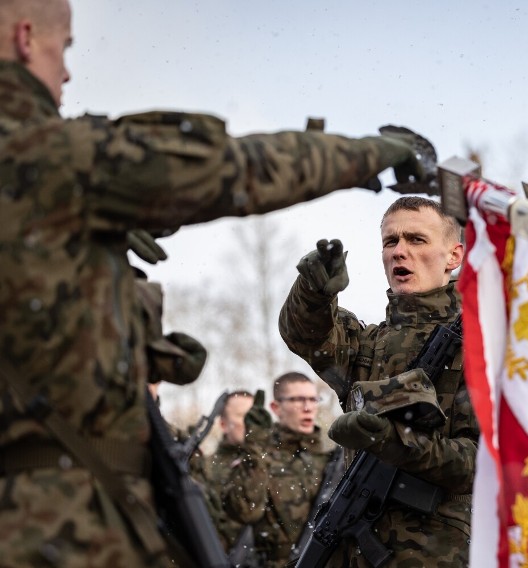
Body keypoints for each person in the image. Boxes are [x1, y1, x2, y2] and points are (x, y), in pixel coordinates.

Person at [0, 0, 427, 565]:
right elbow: (238, 168)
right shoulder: (43, 153)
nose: (69, 72)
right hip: (56, 519)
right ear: (27, 38)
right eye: (66, 48)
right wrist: (371, 153)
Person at [279, 195, 478, 567]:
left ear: (454, 256)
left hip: (439, 554)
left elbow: (478, 464)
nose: (399, 251)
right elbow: (305, 335)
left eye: (416, 239)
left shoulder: (480, 345)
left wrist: (391, 442)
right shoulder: (367, 344)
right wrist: (314, 291)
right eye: (391, 241)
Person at [223, 372, 340, 567]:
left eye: (313, 399)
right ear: (276, 407)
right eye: (298, 400)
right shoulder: (260, 459)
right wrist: (254, 449)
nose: (308, 407)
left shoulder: (331, 461)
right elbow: (245, 512)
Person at [204, 390, 254, 553]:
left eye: (253, 415)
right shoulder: (206, 468)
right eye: (242, 416)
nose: (250, 422)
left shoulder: (273, 462)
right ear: (223, 425)